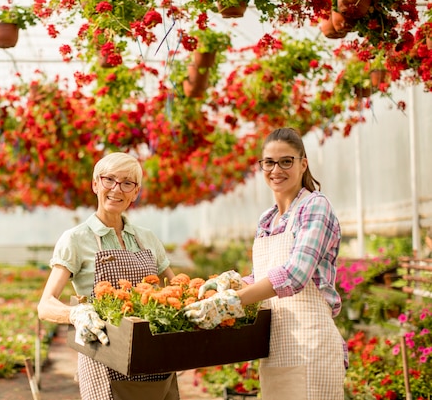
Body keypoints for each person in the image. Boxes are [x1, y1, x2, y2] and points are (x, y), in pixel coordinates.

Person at [184, 127, 346, 400]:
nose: (276, 170)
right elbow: (264, 277)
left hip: (311, 345)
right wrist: (231, 282)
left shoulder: (315, 206)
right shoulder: (266, 220)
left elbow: (294, 275)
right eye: (269, 162)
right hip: (277, 346)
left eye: (286, 161)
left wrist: (232, 301)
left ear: (303, 163)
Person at [37, 152, 180, 400]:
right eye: (109, 180)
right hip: (103, 361)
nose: (117, 189)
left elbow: (179, 289)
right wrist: (75, 313)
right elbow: (45, 305)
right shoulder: (75, 239)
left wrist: (211, 293)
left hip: (154, 360)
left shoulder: (147, 238)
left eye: (127, 183)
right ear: (95, 184)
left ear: (135, 193)